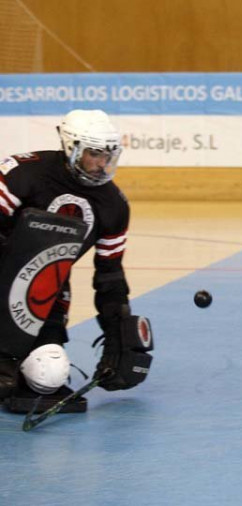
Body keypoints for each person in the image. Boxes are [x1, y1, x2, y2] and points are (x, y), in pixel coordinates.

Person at [0, 109, 153, 414]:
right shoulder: (21, 173)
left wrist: (116, 336)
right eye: (94, 154)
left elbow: (110, 276)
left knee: (49, 372)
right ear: (72, 147)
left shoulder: (114, 206)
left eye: (109, 155)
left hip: (45, 291)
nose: (102, 164)